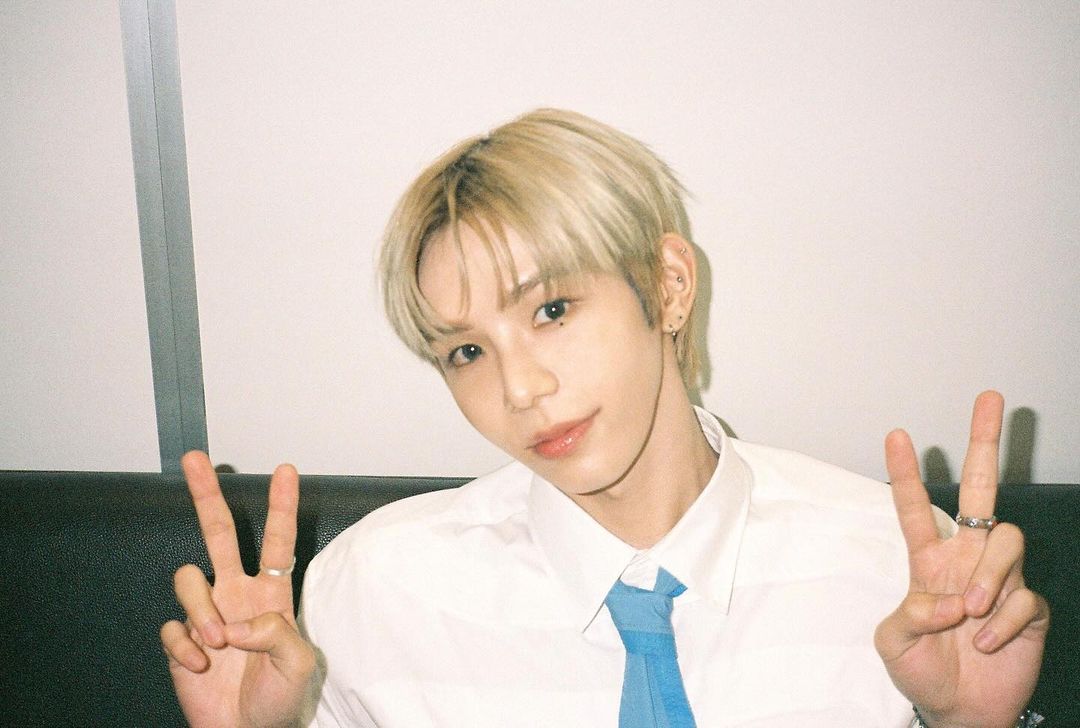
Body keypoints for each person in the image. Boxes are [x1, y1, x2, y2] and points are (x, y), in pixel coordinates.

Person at [161, 109, 1049, 727]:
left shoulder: (896, 568)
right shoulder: (374, 591)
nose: (519, 388)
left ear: (668, 286)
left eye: (551, 310)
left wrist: (972, 726)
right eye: (465, 351)